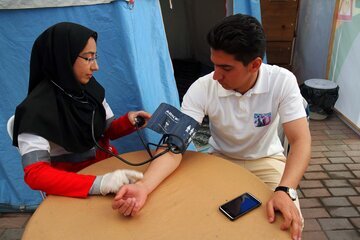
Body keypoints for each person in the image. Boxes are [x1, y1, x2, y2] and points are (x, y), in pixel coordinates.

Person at [12, 22, 181, 216]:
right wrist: (99, 183)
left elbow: (106, 130)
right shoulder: (35, 111)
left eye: (95, 57)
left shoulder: (89, 90)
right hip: (75, 187)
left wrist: (129, 121)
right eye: (88, 58)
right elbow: (36, 174)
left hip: (109, 172)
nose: (96, 66)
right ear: (62, 58)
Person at [181, 14, 311, 240]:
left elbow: (300, 140)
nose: (216, 75)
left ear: (255, 65)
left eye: (226, 68)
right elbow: (178, 141)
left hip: (267, 161)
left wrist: (285, 190)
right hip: (219, 159)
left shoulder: (282, 81)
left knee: (287, 225)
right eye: (214, 64)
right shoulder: (202, 87)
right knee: (204, 222)